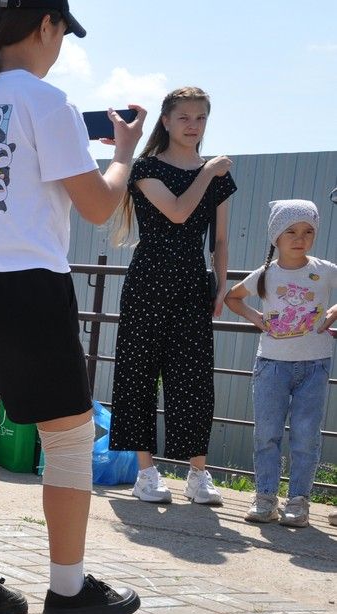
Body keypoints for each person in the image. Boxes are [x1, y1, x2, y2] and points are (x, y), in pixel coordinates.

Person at [0, 0, 145, 614]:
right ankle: (69, 591)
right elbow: (100, 207)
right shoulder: (47, 102)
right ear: (47, 26)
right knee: (69, 442)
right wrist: (123, 153)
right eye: (62, 34)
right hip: (23, 288)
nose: (61, 46)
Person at [109, 87, 236, 505]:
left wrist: (219, 285)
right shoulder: (145, 167)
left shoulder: (217, 175)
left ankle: (198, 474)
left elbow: (219, 238)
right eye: (184, 117)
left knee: (195, 380)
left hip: (191, 285)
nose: (193, 125)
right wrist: (208, 171)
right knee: (138, 373)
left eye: (200, 118)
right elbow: (179, 211)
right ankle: (146, 472)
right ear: (165, 120)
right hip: (147, 282)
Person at [223, 201, 337, 528]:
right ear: (276, 236)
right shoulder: (266, 274)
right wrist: (256, 318)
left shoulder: (323, 269)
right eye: (291, 231)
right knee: (267, 434)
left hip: (314, 365)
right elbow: (233, 297)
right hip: (271, 365)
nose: (300, 238)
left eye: (308, 231)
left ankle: (299, 501)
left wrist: (332, 312)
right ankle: (265, 498)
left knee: (305, 436)